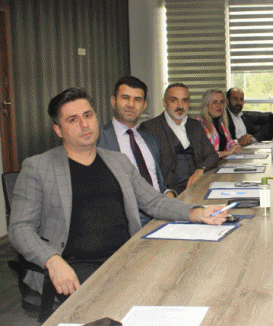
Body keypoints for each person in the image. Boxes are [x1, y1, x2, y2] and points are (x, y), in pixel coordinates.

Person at [8, 87, 228, 297]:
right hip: (74, 266)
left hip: (126, 256)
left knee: (190, 277)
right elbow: (20, 228)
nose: (85, 125)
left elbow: (153, 201)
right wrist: (52, 260)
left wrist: (197, 212)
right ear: (58, 130)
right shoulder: (38, 167)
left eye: (88, 115)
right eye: (73, 120)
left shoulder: (118, 161)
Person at [98, 76, 176, 226]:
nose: (131, 104)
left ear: (144, 105)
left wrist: (168, 193)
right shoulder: (99, 139)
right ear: (113, 101)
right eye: (125, 98)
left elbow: (158, 182)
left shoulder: (151, 141)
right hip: (124, 223)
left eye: (137, 100)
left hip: (160, 216)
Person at [139, 83, 220, 195]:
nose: (180, 106)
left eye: (185, 100)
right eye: (174, 100)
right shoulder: (150, 128)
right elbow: (147, 170)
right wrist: (166, 192)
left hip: (198, 187)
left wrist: (200, 169)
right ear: (164, 103)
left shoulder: (195, 125)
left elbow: (212, 155)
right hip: (169, 193)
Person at [198, 89, 242, 158]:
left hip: (223, 163)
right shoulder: (199, 125)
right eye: (214, 102)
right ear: (206, 105)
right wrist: (228, 152)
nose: (219, 105)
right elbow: (204, 155)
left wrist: (236, 145)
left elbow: (229, 144)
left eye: (221, 102)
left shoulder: (221, 123)